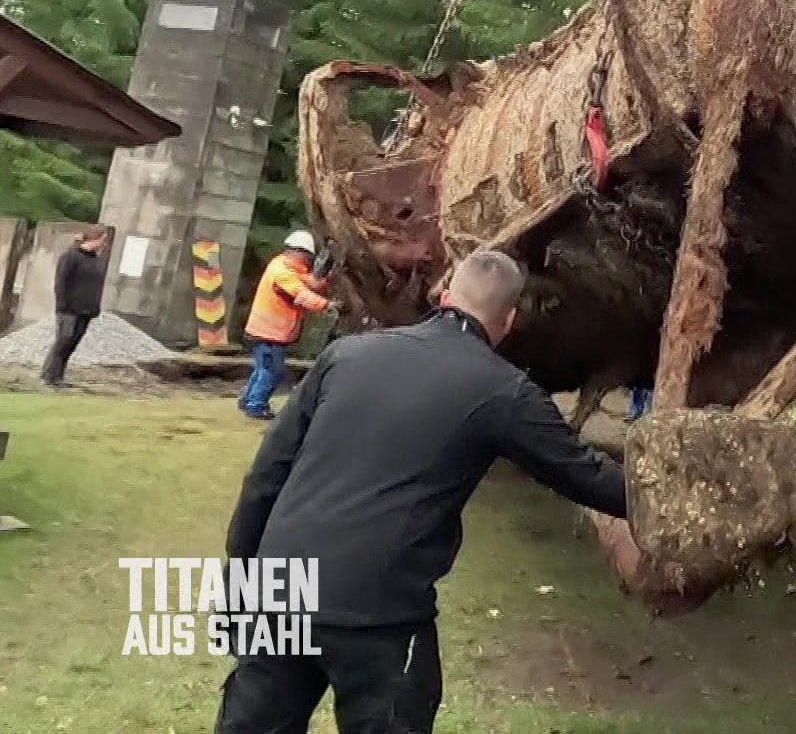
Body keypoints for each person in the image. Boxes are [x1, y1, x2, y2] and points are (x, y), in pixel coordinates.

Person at [215, 250, 630, 734]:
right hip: (381, 613)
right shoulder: (505, 392)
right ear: (510, 319)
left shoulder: (347, 354)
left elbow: (267, 476)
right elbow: (584, 475)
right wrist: (672, 503)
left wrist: (241, 585)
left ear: (446, 294)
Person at [237, 230, 333, 419]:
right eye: (307, 256)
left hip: (264, 332)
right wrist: (327, 305)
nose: (308, 260)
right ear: (297, 252)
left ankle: (248, 400)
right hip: (270, 333)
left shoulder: (283, 265)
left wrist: (323, 282)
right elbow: (301, 294)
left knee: (262, 369)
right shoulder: (282, 273)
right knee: (271, 371)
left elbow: (307, 282)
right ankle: (256, 405)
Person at [41, 224, 109, 387]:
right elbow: (61, 282)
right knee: (63, 341)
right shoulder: (70, 256)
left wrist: (94, 307)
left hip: (86, 310)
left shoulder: (95, 260)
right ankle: (50, 376)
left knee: (72, 343)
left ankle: (57, 376)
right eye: (103, 240)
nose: (104, 244)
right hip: (69, 309)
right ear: (95, 238)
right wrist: (63, 305)